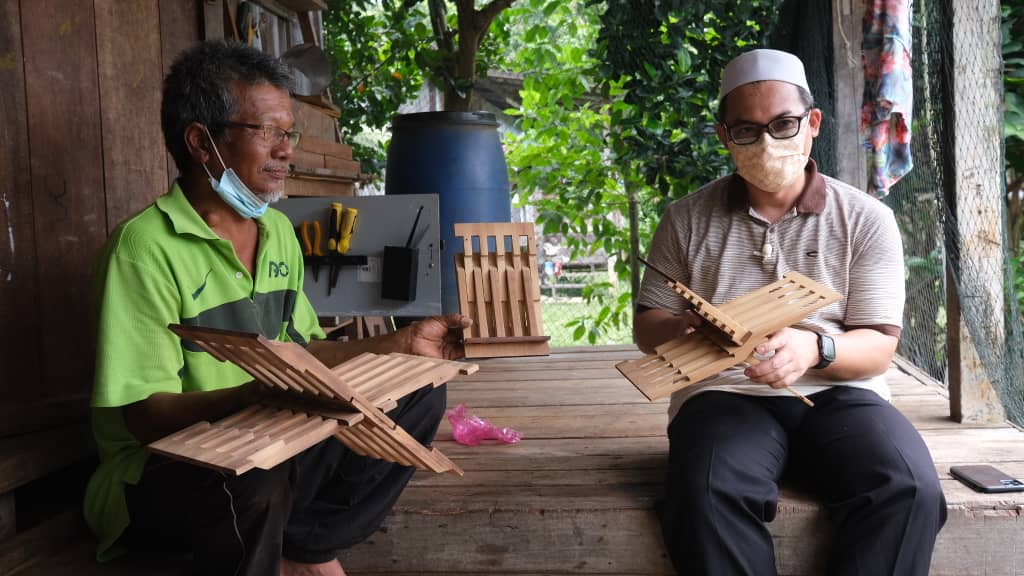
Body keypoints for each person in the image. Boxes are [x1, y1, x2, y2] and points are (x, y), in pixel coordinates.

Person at [83, 40, 470, 576]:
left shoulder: (278, 232)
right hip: (161, 474)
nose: (286, 150)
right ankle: (295, 550)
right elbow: (144, 417)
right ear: (202, 141)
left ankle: (305, 548)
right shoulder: (145, 247)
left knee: (423, 388)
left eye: (288, 133)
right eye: (267, 131)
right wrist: (252, 395)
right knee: (253, 478)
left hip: (274, 436)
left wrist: (399, 345)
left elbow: (304, 350)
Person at [634, 49, 946, 575]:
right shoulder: (685, 219)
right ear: (723, 136)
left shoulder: (866, 219)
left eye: (783, 124)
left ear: (812, 123)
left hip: (842, 393)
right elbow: (648, 329)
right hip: (724, 392)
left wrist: (814, 347)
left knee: (909, 488)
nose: (767, 142)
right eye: (746, 130)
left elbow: (878, 348)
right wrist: (686, 327)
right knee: (707, 491)